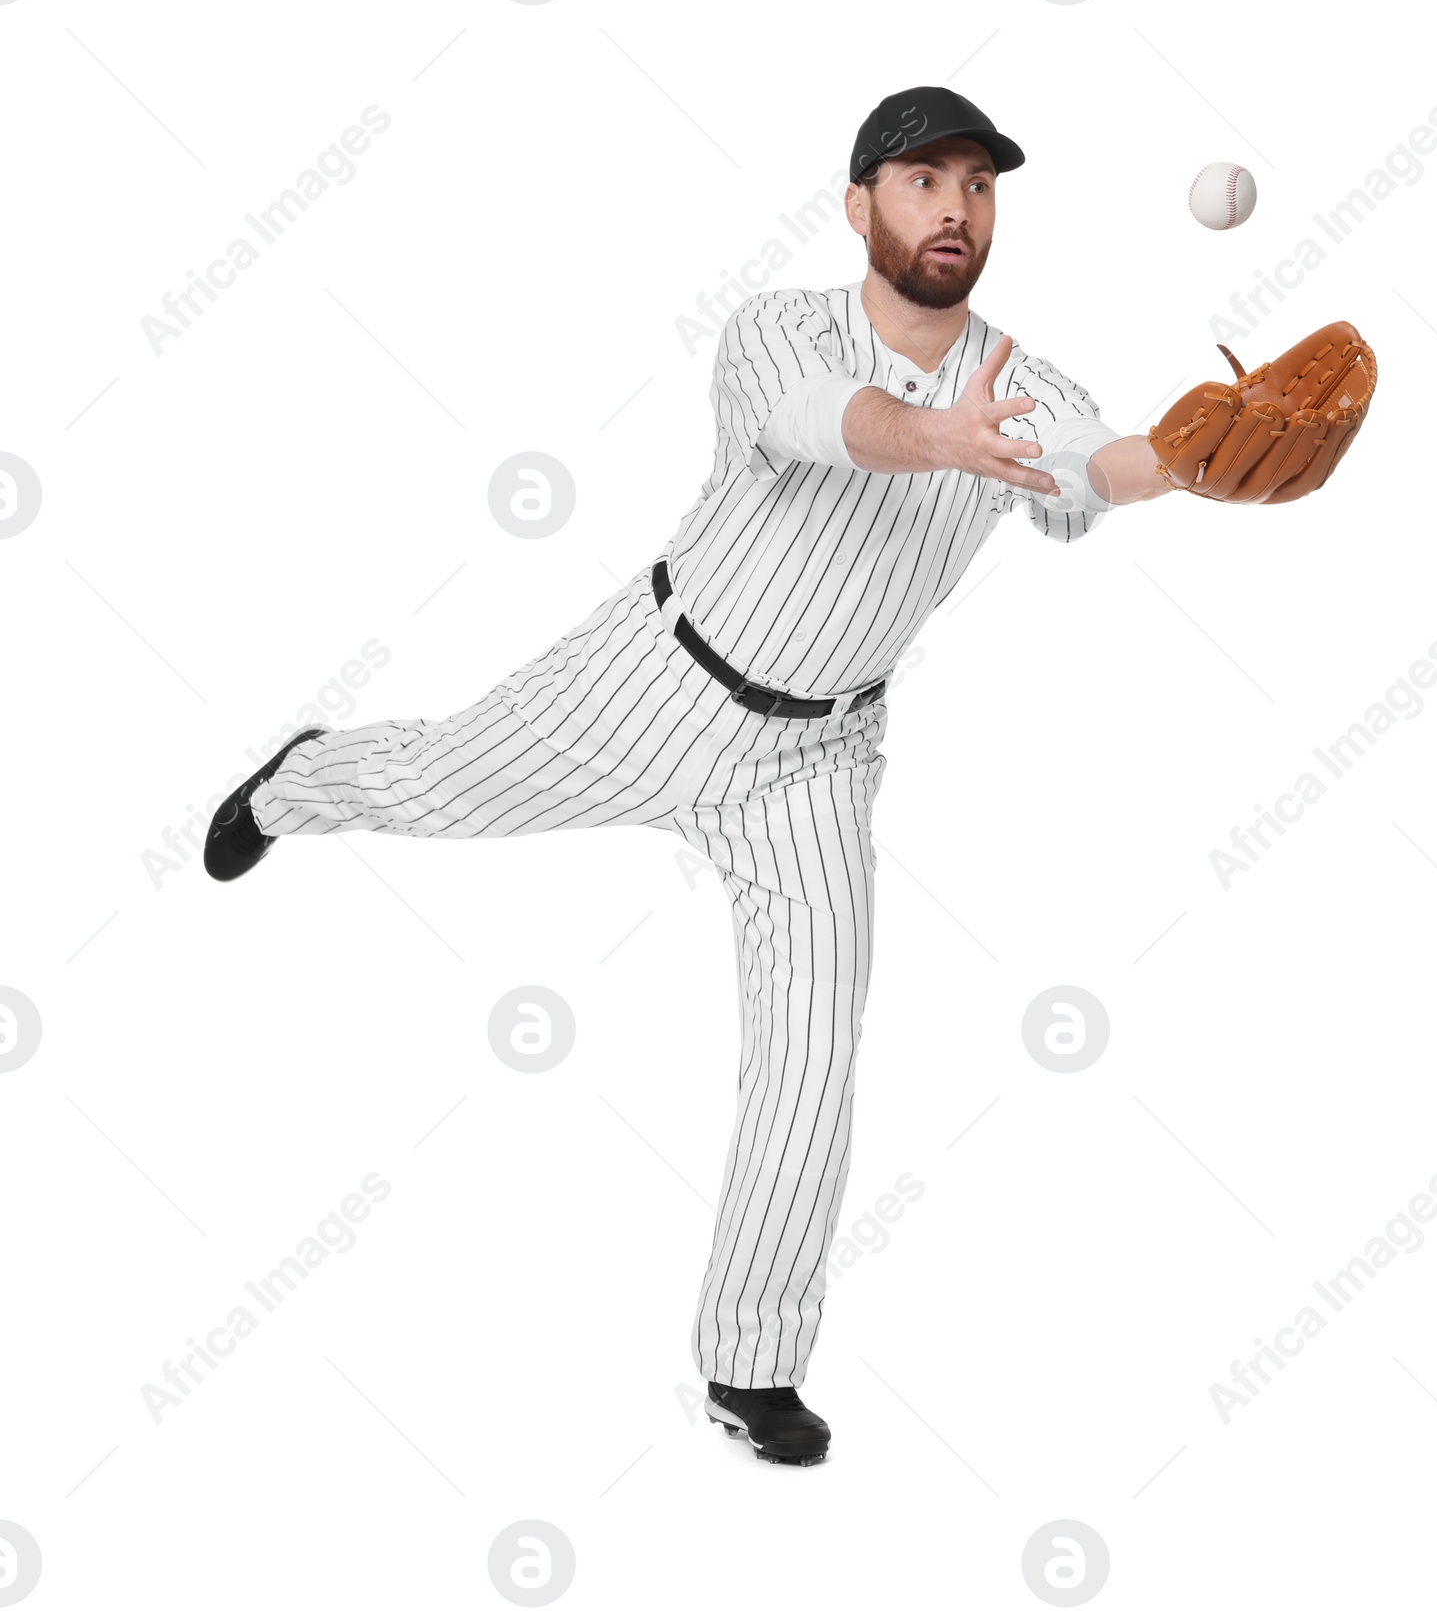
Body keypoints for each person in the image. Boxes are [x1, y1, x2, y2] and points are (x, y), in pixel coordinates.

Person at [204, 86, 1173, 1468]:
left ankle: (752, 1368)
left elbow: (1100, 464)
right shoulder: (776, 328)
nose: (954, 205)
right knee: (434, 784)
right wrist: (949, 440)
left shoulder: (1022, 383)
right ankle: (300, 781)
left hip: (819, 758)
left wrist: (1193, 460)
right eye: (922, 180)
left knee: (811, 1051)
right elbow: (832, 425)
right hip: (655, 680)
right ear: (861, 207)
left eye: (977, 182)